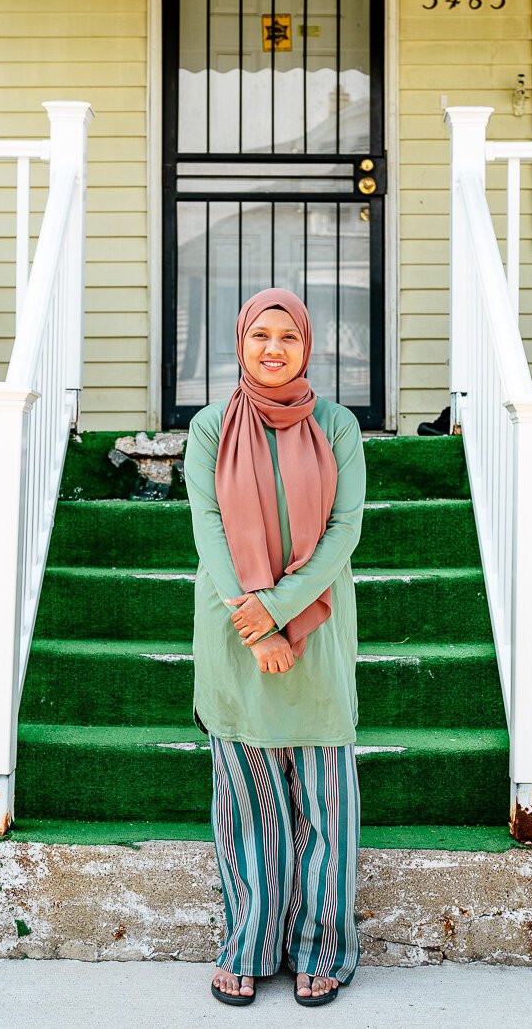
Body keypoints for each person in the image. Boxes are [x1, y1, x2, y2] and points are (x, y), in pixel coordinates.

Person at [182, 287, 367, 1007]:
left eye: (287, 336)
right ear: (241, 342)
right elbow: (208, 530)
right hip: (233, 631)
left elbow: (343, 531)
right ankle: (250, 944)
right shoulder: (208, 428)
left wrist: (281, 616)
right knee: (249, 803)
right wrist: (252, 623)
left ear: (306, 346)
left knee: (327, 805)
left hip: (314, 632)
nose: (272, 348)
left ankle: (324, 947)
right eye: (260, 334)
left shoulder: (337, 425)